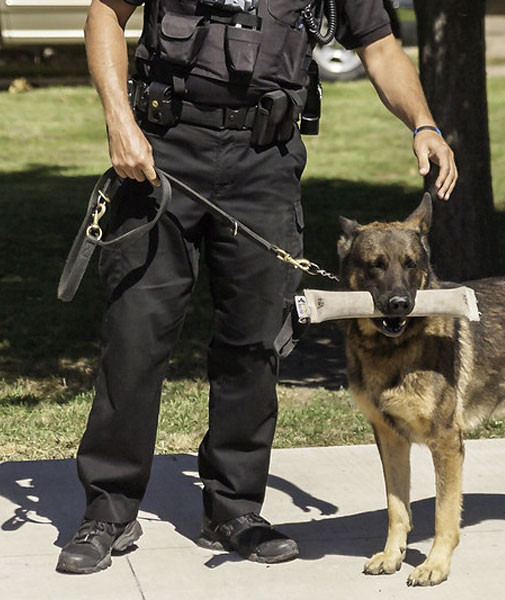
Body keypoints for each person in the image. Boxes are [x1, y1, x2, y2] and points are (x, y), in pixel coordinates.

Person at [57, 0, 458, 574]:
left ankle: (234, 508)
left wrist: (423, 123)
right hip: (161, 150)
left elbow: (380, 44)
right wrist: (119, 120)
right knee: (134, 336)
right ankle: (108, 510)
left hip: (264, 161)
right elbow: (104, 12)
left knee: (255, 341)